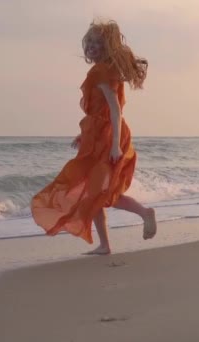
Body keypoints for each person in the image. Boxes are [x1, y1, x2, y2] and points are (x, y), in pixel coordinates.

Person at [31, 20, 156, 255]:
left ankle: (144, 213)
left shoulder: (101, 72)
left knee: (101, 194)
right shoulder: (104, 70)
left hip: (108, 139)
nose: (91, 46)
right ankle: (105, 245)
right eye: (89, 42)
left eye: (98, 43)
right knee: (93, 193)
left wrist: (116, 145)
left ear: (107, 47)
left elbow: (116, 110)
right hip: (98, 137)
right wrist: (84, 135)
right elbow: (102, 112)